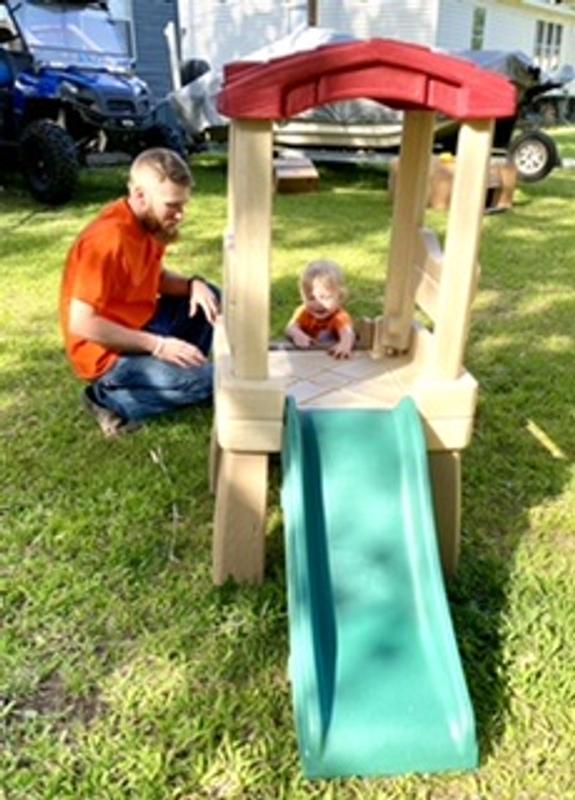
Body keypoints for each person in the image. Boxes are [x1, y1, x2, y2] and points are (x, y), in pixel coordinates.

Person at [60, 147, 220, 437]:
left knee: (210, 295)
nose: (180, 215)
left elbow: (154, 277)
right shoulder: (106, 240)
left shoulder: (149, 224)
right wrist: (158, 346)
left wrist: (194, 283)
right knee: (215, 383)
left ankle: (180, 368)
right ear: (139, 195)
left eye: (183, 204)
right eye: (172, 205)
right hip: (105, 352)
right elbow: (82, 324)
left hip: (140, 326)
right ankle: (107, 397)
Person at [285, 259, 355, 359]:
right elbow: (290, 327)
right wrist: (298, 335)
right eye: (311, 298)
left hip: (330, 357)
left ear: (339, 297)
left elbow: (347, 332)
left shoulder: (339, 316)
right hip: (307, 357)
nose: (318, 304)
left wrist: (345, 344)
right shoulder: (303, 312)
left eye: (326, 297)